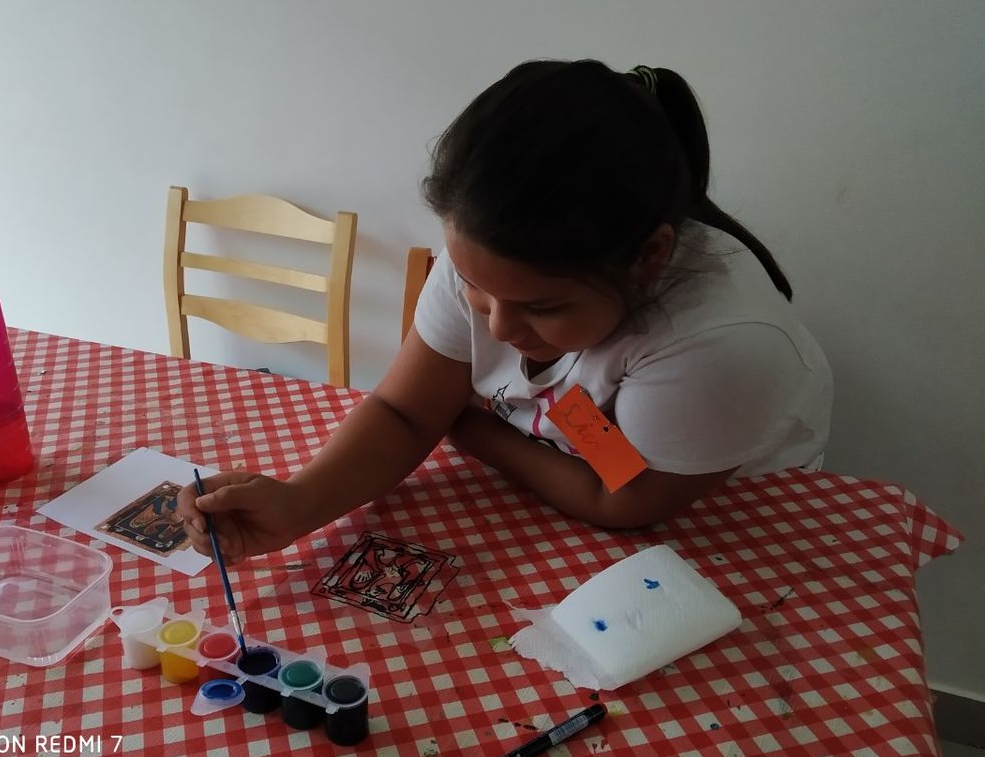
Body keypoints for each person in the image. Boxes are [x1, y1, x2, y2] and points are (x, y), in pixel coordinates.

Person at [183, 59, 832, 565]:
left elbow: (623, 498)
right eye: (473, 286)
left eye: (542, 307)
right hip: (564, 466)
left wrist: (467, 426)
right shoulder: (491, 255)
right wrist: (300, 502)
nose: (497, 327)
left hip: (729, 521)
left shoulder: (720, 345)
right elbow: (405, 412)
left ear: (649, 258)